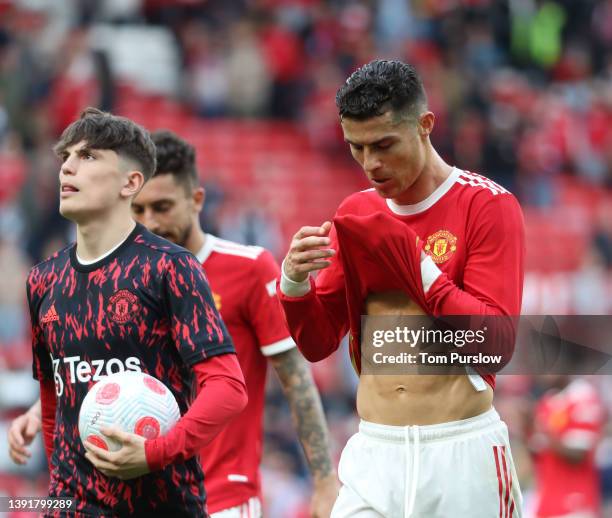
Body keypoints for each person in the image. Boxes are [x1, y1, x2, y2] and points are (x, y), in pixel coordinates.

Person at [11, 129, 339, 517]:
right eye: (141, 210)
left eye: (162, 207)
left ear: (195, 200)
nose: (151, 220)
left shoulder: (237, 268)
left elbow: (291, 378)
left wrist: (324, 480)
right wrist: (46, 410)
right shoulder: (57, 279)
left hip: (215, 491)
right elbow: (111, 367)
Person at [278, 60, 525, 517]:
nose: (371, 163)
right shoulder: (354, 213)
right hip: (375, 452)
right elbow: (316, 343)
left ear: (425, 125)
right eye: (357, 147)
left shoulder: (487, 205)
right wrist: (293, 282)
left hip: (460, 451)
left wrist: (416, 266)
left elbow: (496, 345)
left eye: (384, 144)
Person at [25, 108, 247, 517]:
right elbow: (54, 400)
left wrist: (155, 453)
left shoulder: (169, 267)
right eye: (66, 158)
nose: (68, 168)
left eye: (88, 157)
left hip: (162, 505)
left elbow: (228, 389)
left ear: (131, 182)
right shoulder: (42, 280)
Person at [530, 375, 605, 518]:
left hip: (575, 505)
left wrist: (547, 436)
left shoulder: (583, 397)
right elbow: (538, 454)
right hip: (547, 503)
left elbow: (579, 455)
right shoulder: (548, 399)